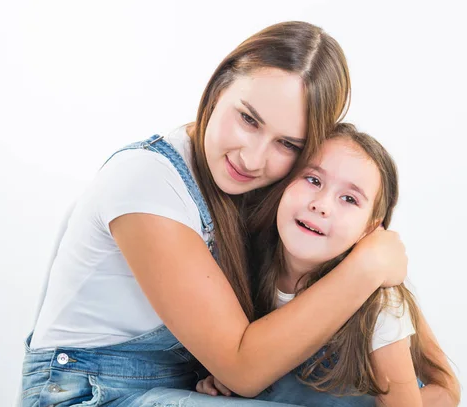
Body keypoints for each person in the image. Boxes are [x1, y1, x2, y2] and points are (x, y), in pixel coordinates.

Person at [20, 22, 408, 407]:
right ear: (220, 85)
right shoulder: (147, 179)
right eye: (248, 119)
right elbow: (243, 369)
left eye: (287, 143)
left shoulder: (283, 196)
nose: (252, 158)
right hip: (85, 393)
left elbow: (435, 383)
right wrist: (366, 267)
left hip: (175, 389)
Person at [197, 123, 461, 407]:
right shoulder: (243, 266)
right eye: (313, 180)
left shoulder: (379, 307)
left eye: (349, 199)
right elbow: (245, 364)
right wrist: (224, 379)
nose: (321, 205)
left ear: (369, 230)